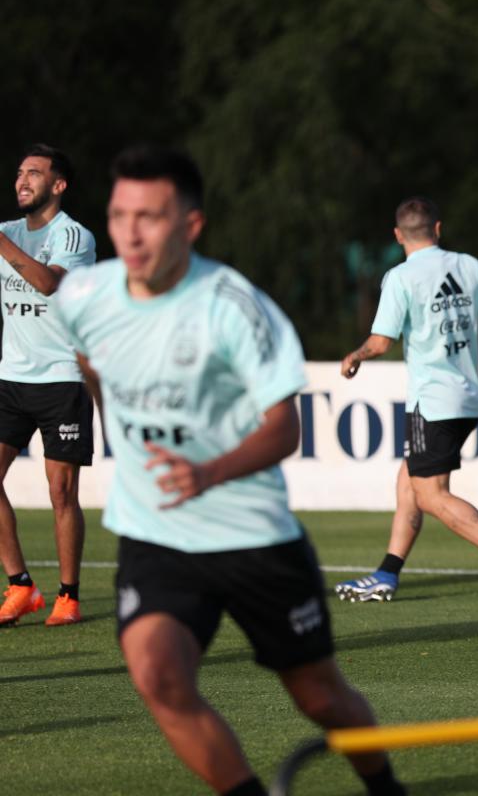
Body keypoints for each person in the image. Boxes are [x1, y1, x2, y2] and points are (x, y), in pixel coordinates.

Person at [55, 146, 405, 796]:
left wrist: (207, 472)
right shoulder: (82, 295)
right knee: (158, 677)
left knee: (320, 696)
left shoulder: (236, 306)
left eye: (150, 217)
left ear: (189, 225)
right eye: (120, 214)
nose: (130, 232)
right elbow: (92, 365)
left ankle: (385, 787)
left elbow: (284, 427)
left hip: (251, 537)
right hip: (154, 533)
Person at [334, 197, 478, 604]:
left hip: (432, 402)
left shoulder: (400, 277)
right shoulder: (468, 265)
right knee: (409, 484)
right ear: (438, 229)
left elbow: (380, 342)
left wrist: (355, 355)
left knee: (429, 494)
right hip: (466, 398)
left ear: (398, 236)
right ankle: (387, 573)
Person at [0, 144, 96, 627]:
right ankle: (20, 586)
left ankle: (68, 596)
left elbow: (47, 283)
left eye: (33, 174)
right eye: (19, 173)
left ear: (58, 185)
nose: (22, 181)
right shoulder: (6, 232)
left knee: (61, 494)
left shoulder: (74, 236)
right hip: (10, 378)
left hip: (61, 378)